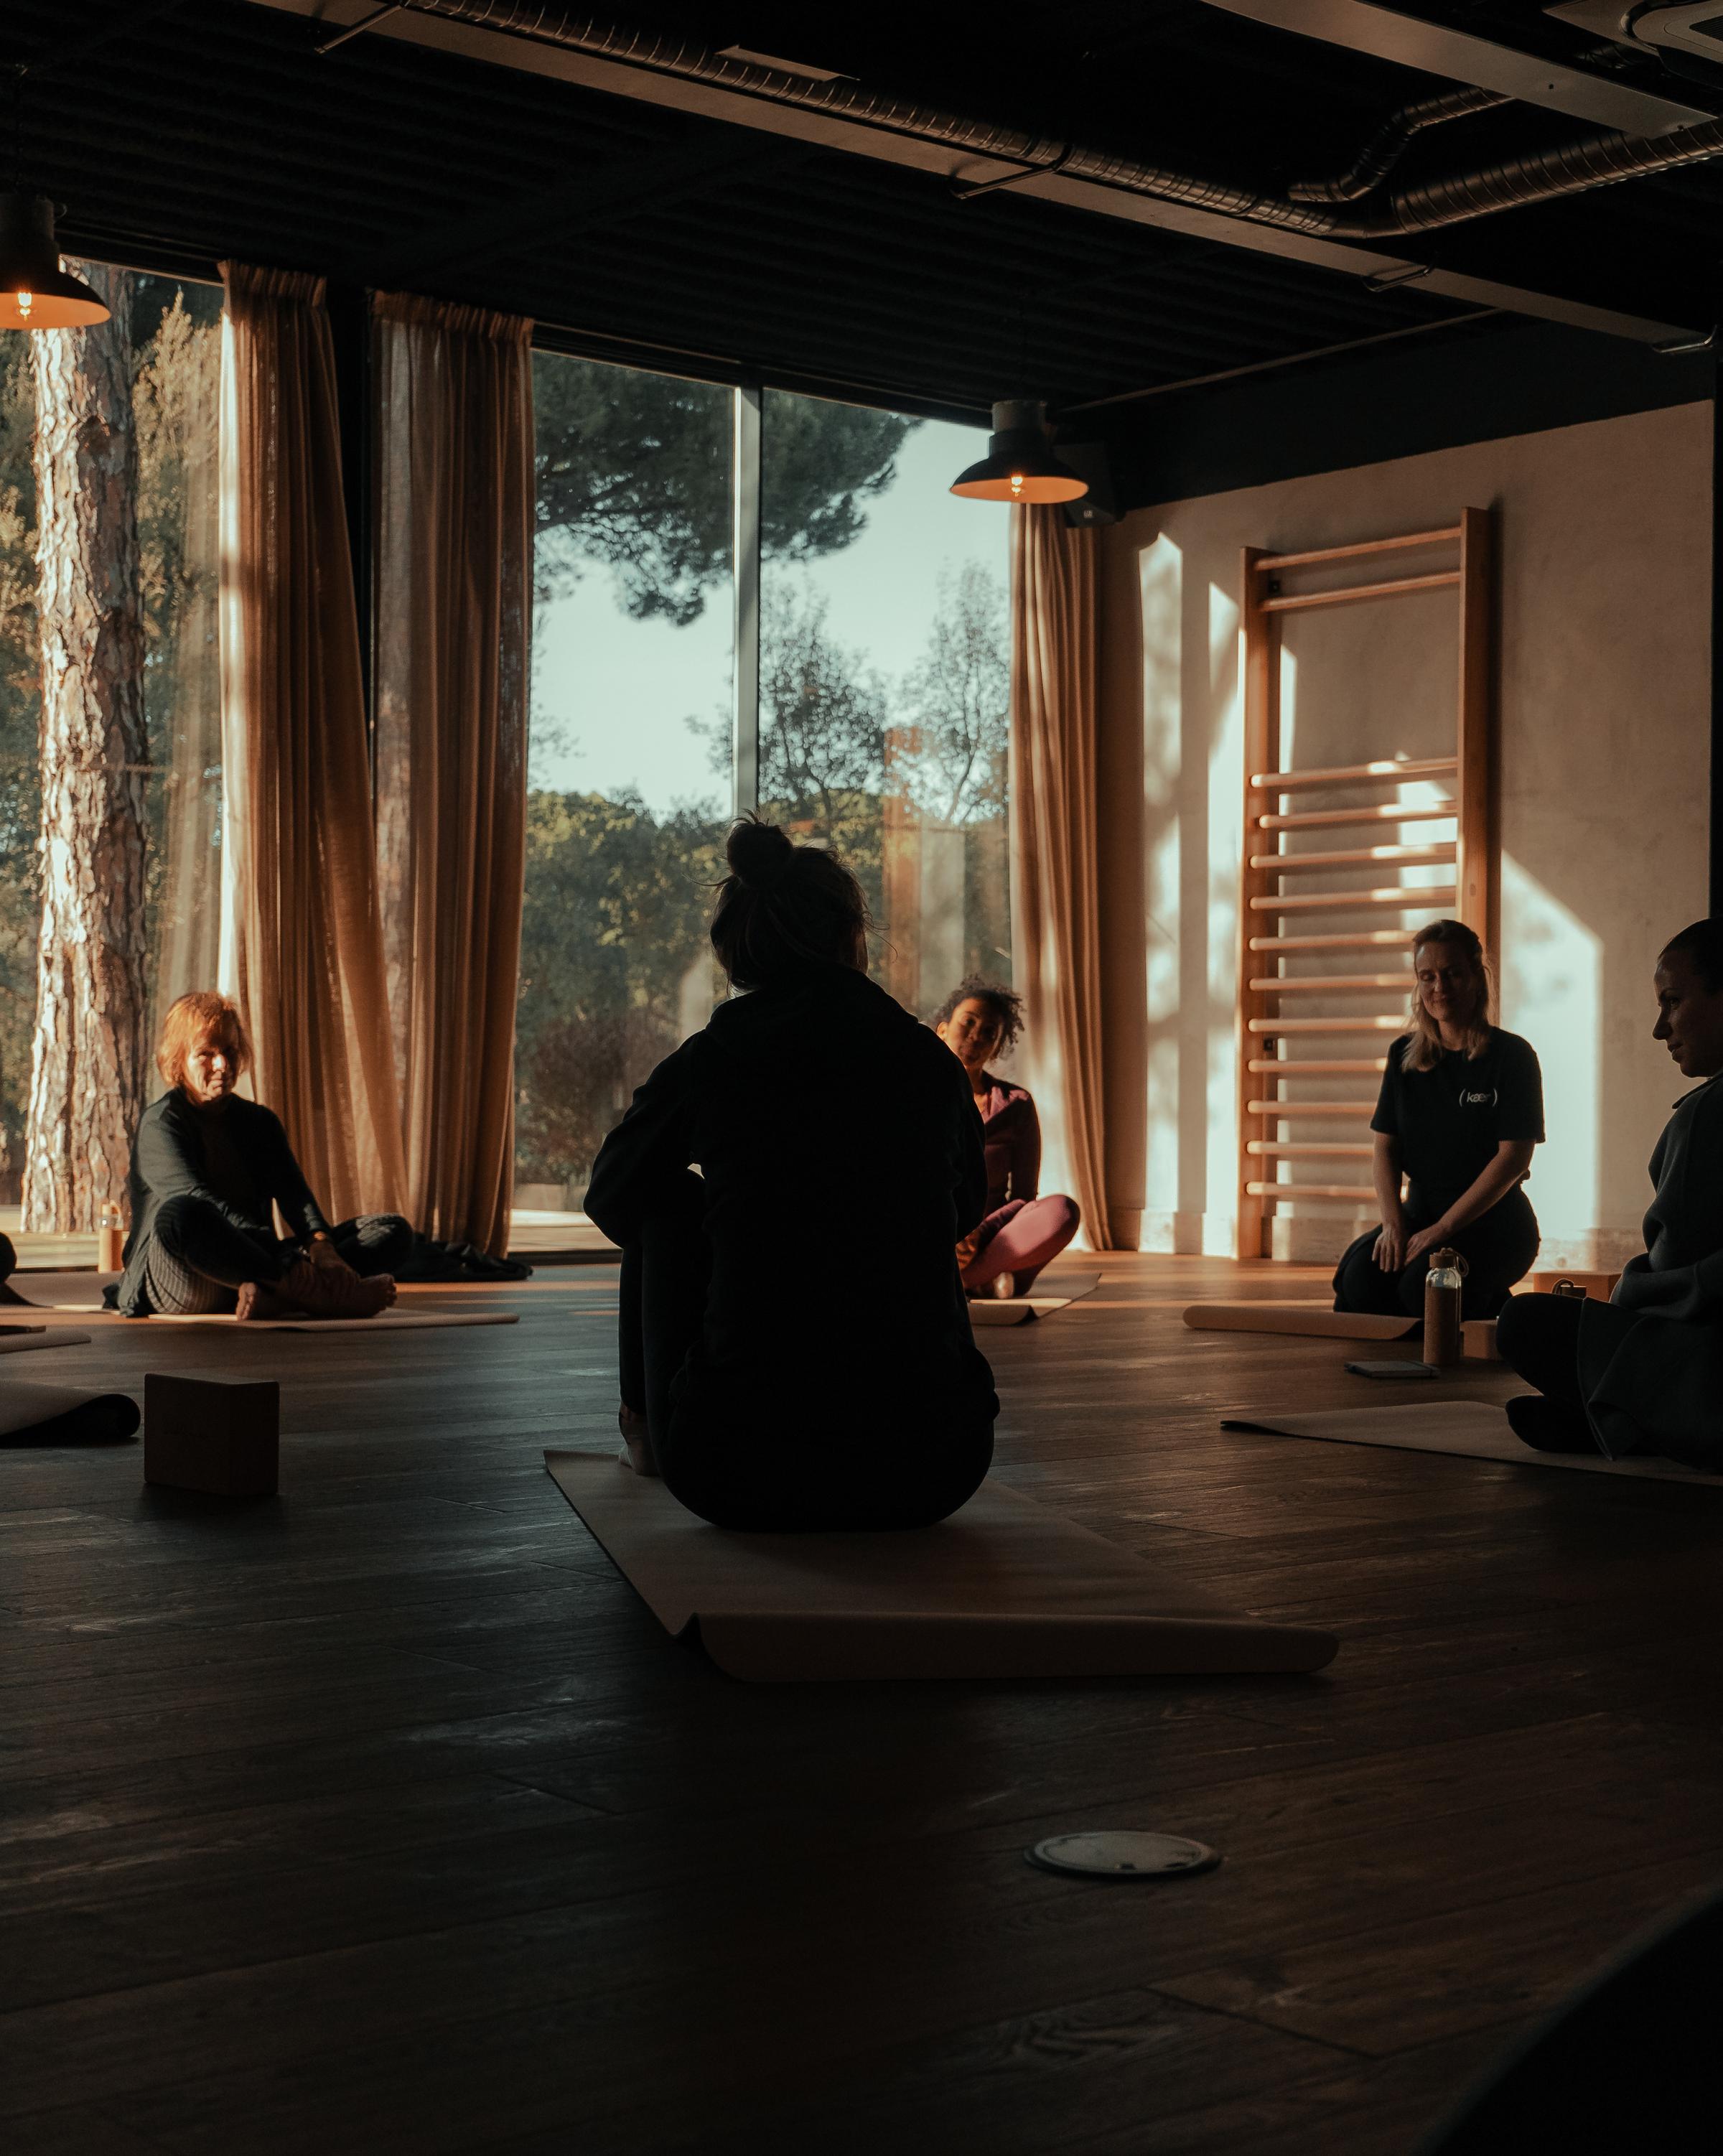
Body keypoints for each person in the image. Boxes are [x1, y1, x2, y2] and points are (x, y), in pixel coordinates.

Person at [583, 816, 999, 1532]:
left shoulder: (716, 1056)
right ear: (852, 935)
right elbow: (962, 1211)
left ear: (738, 949)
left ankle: (645, 1430)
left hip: (734, 1466)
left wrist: (732, 1236)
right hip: (936, 1464)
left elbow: (613, 1193)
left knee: (666, 1197)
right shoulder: (927, 1060)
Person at [1497, 918, 1723, 1466]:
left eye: (1673, 1001)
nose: (1660, 1028)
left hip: (1708, 1367)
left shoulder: (1705, 1114)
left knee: (1526, 1323)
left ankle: (1627, 1420)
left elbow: (1675, 1275)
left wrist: (1620, 1295)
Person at [112, 991, 410, 1320]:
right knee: (181, 1213)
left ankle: (282, 1294)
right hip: (186, 1274)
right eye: (206, 1054)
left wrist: (321, 1246)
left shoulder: (259, 1121)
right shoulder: (161, 1124)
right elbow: (200, 1201)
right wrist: (287, 1261)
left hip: (257, 1263)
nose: (222, 1065)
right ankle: (307, 1292)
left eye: (229, 1051)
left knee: (391, 1230)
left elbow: (295, 1196)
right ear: (178, 1060)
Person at [1333, 919, 1544, 1320]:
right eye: (1427, 977)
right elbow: (1385, 1149)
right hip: (1419, 1217)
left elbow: (1513, 1159)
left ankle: (1494, 1307)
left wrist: (1443, 1230)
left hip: (1493, 1225)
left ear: (1476, 978)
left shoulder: (1513, 1056)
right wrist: (1393, 1225)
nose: (1439, 987)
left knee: (1426, 1290)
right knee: (1359, 1284)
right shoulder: (1403, 1055)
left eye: (1452, 974)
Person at [931, 978, 1081, 1299]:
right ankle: (985, 1281)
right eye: (968, 1022)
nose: (976, 1035)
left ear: (997, 1048)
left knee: (1061, 1212)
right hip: (931, 1233)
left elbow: (1024, 1196)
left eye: (989, 1033)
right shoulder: (914, 1097)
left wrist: (978, 1234)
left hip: (993, 1239)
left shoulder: (1017, 1104)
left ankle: (963, 1281)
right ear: (942, 1030)